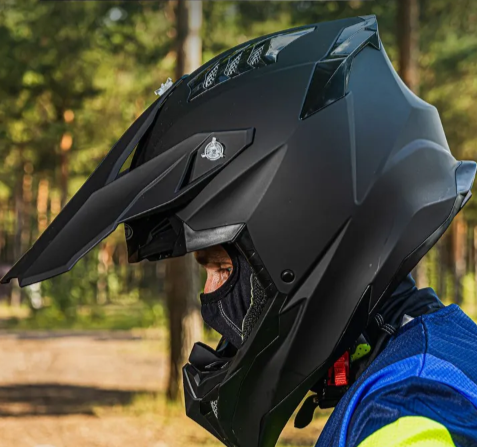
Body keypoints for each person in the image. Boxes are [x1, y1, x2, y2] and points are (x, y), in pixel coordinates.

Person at [3, 15, 477, 447]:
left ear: (299, 237)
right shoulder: (430, 355)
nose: (210, 296)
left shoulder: (410, 412)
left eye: (221, 267)